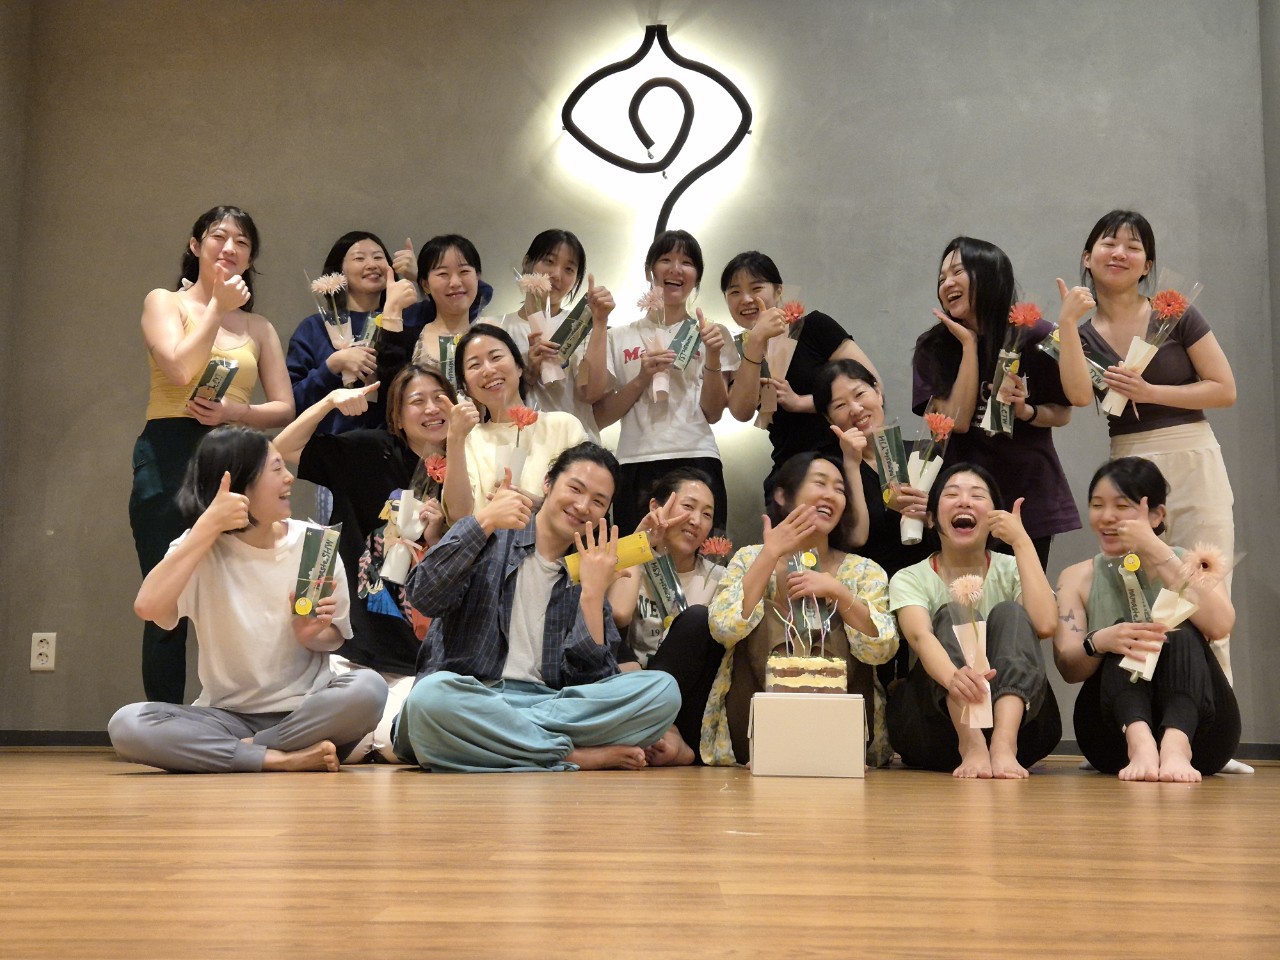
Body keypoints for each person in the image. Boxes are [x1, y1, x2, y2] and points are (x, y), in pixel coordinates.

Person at [109, 426, 388, 773]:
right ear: (239, 482)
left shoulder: (313, 544)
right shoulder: (199, 546)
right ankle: (280, 759)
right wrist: (206, 525)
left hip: (307, 713)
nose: (289, 478)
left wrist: (314, 635)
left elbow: (336, 637)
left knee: (369, 689)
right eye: (276, 468)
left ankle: (249, 752)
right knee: (127, 724)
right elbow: (148, 607)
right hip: (227, 717)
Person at [394, 442, 683, 772]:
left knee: (664, 693)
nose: (582, 506)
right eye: (575, 489)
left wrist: (592, 594)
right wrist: (483, 520)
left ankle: (507, 743)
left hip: (545, 703)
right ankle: (566, 754)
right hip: (474, 696)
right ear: (547, 483)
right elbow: (424, 595)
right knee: (429, 700)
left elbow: (592, 680)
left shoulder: (588, 567)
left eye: (598, 501)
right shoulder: (490, 534)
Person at [1057, 211, 1238, 680]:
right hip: (1130, 464)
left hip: (1193, 455)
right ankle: (1141, 709)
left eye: (1133, 247)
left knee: (1206, 583)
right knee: (1140, 587)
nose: (1119, 253)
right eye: (1108, 243)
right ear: (1087, 257)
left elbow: (1224, 389)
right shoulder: (1078, 331)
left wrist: (1150, 392)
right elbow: (1078, 396)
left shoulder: (1174, 313)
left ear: (1147, 265)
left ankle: (1215, 716)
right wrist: (1068, 323)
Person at [130, 205, 294, 704]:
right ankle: (164, 721)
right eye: (219, 237)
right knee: (169, 598)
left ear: (251, 258)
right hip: (170, 452)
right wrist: (216, 309)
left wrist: (234, 412)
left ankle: (248, 712)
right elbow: (180, 370)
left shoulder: (259, 327)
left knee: (244, 591)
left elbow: (284, 407)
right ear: (195, 244)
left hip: (236, 457)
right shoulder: (164, 302)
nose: (229, 248)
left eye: (242, 242)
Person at [272, 363, 453, 762]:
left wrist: (438, 534)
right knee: (351, 743)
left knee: (394, 744)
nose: (431, 408)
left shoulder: (467, 472)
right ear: (397, 418)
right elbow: (282, 450)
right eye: (417, 401)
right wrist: (328, 402)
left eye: (439, 398)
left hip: (421, 659)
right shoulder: (370, 451)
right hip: (358, 650)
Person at [672, 452, 898, 767]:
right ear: (782, 495)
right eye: (819, 483)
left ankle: (826, 746)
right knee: (763, 614)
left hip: (843, 734)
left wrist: (838, 593)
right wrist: (770, 556)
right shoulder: (750, 558)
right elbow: (723, 628)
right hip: (753, 729)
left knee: (849, 617)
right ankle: (772, 742)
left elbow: (883, 649)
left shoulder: (864, 571)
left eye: (839, 489)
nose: (830, 495)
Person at [1053, 458, 1240, 782]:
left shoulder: (1193, 564)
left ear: (1156, 515)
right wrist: (1100, 641)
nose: (1107, 516)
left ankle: (1176, 745)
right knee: (1125, 632)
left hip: (1203, 739)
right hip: (1113, 741)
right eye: (1097, 505)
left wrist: (1155, 549)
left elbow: (1220, 625)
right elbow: (1069, 668)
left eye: (1121, 506)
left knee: (1178, 629)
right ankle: (1140, 743)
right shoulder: (1076, 577)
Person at [913, 237, 1079, 568]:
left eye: (958, 272)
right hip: (962, 499)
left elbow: (1063, 412)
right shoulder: (934, 345)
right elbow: (956, 422)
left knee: (1023, 594)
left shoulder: (1035, 335)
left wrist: (1027, 411)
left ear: (991, 275)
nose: (947, 284)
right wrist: (969, 346)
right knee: (964, 593)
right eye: (942, 278)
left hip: (1027, 494)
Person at [887, 463, 1061, 778]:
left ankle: (1004, 745)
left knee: (1010, 612)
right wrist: (954, 678)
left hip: (1022, 729)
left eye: (977, 496)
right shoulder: (910, 577)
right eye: (952, 494)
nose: (965, 502)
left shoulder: (1012, 568)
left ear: (994, 516)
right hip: (939, 728)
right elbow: (920, 637)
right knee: (950, 613)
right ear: (930, 518)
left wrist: (1021, 541)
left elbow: (1045, 625)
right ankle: (972, 744)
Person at [594, 229, 739, 533]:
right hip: (635, 460)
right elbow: (601, 416)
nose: (676, 269)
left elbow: (713, 413)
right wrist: (642, 377)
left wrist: (713, 356)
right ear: (650, 270)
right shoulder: (618, 337)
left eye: (687, 262)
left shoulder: (711, 333)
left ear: (697, 277)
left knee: (703, 554)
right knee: (636, 555)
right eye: (665, 260)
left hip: (697, 456)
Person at [813, 358, 932, 687]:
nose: (855, 409)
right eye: (840, 405)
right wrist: (851, 464)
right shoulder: (832, 470)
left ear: (878, 393)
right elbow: (857, 538)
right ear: (829, 419)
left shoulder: (922, 452)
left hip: (930, 583)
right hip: (875, 594)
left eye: (860, 394)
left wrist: (931, 513)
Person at [721, 250, 878, 493]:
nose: (746, 299)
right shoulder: (738, 350)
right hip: (789, 469)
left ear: (778, 291)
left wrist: (800, 402)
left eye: (756, 288)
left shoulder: (814, 327)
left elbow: (873, 386)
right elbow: (741, 412)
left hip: (843, 459)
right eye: (734, 292)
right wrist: (756, 341)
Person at [441, 323, 588, 519]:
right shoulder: (468, 439)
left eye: (496, 357)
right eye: (474, 365)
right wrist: (454, 438)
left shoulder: (563, 426)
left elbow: (586, 497)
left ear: (519, 367)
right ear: (466, 387)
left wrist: (540, 506)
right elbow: (458, 515)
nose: (488, 370)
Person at [286, 230, 419, 435]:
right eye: (359, 258)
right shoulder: (314, 328)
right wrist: (332, 365)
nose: (372, 264)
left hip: (390, 446)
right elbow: (292, 403)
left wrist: (419, 277)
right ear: (338, 270)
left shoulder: (407, 320)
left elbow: (463, 310)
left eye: (378, 257)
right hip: (328, 447)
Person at [495, 228, 615, 442]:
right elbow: (489, 399)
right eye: (549, 261)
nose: (557, 275)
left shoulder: (583, 326)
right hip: (520, 447)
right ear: (527, 262)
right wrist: (528, 373)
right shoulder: (497, 328)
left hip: (577, 445)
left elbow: (591, 393)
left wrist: (599, 322)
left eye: (569, 269)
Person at [608, 467, 726, 667]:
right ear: (656, 507)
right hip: (638, 679)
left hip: (691, 682)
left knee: (696, 617)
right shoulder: (633, 564)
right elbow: (618, 614)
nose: (696, 521)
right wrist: (639, 540)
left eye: (707, 514)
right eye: (688, 506)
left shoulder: (719, 578)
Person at [407, 234, 491, 379]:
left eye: (464, 271)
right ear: (425, 285)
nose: (455, 283)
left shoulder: (493, 336)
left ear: (477, 277)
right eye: (443, 274)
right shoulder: (411, 338)